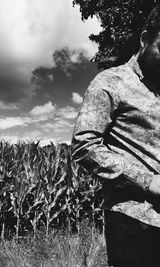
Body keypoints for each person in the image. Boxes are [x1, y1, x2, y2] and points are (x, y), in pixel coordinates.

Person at [71, 6, 160, 267]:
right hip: (135, 223)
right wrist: (149, 181)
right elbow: (84, 145)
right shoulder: (110, 82)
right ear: (145, 39)